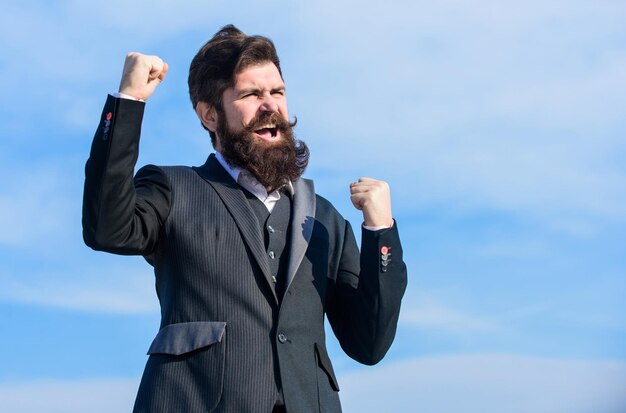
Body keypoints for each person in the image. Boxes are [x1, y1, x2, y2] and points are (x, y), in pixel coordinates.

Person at [82, 24, 407, 413]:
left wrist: (380, 231)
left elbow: (368, 343)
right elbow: (106, 227)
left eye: (277, 92)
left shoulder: (324, 219)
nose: (270, 105)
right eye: (252, 94)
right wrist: (128, 101)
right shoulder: (173, 188)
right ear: (209, 116)